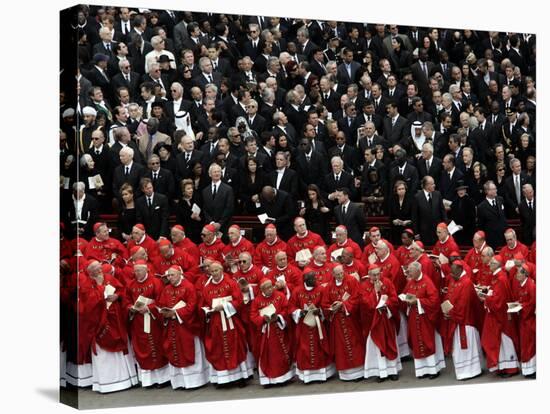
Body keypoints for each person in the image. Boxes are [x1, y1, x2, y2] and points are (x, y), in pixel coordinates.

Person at [83, 260, 138, 393]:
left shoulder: (109, 278)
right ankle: (108, 383)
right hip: (100, 323)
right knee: (104, 355)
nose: (100, 270)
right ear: (90, 272)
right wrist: (100, 286)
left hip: (115, 320)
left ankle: (126, 379)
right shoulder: (86, 284)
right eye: (96, 269)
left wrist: (117, 296)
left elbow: (121, 290)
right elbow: (89, 304)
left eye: (100, 267)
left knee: (120, 347)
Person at [200, 261, 253, 386]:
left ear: (221, 270)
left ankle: (240, 377)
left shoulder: (230, 283)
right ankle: (223, 379)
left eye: (216, 271)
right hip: (216, 322)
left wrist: (224, 306)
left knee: (235, 346)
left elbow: (238, 300)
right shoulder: (207, 288)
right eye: (212, 272)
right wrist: (207, 310)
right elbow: (204, 304)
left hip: (231, 321)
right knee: (218, 348)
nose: (214, 274)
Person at [157, 265, 209, 389]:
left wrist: (176, 313)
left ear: (180, 274)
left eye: (172, 275)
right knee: (175, 350)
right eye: (168, 275)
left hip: (186, 326)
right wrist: (164, 312)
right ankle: (180, 382)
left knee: (189, 350)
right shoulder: (166, 289)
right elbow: (161, 303)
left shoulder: (189, 287)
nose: (170, 278)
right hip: (172, 325)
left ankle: (195, 381)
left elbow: (192, 306)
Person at [125, 260, 170, 387]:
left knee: (155, 345)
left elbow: (162, 300)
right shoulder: (131, 284)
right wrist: (130, 307)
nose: (137, 273)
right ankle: (149, 380)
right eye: (135, 271)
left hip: (152, 320)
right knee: (143, 347)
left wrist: (150, 308)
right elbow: (127, 301)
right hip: (138, 321)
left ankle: (162, 379)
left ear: (146, 270)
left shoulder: (155, 282)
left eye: (139, 270)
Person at [402, 261, 446, 379]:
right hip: (413, 316)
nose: (408, 272)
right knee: (417, 343)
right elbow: (405, 294)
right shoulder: (411, 282)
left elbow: (434, 300)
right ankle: (422, 371)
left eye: (410, 270)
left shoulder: (427, 282)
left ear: (417, 270)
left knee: (427, 342)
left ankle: (433, 370)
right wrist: (406, 299)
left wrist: (418, 301)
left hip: (425, 318)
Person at [289, 271, 335, 383]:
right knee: (304, 349)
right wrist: (300, 312)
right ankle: (307, 377)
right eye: (313, 279)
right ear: (306, 280)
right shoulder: (297, 291)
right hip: (304, 326)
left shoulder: (321, 290)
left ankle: (321, 375)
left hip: (318, 324)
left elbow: (325, 304)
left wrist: (319, 311)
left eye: (315, 278)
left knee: (319, 347)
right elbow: (291, 307)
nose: (316, 281)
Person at [321, 265, 365, 381]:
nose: (340, 276)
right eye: (337, 274)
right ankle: (346, 374)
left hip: (351, 319)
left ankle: (359, 372)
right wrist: (332, 308)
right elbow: (324, 304)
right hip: (337, 322)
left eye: (341, 273)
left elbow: (357, 297)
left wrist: (344, 305)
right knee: (341, 347)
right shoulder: (329, 287)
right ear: (333, 274)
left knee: (355, 343)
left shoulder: (351, 281)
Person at [442, 261, 484, 380]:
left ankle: (470, 371)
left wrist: (451, 313)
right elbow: (449, 297)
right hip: (455, 319)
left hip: (465, 321)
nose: (451, 275)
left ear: (460, 270)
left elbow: (463, 305)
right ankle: (466, 371)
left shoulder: (466, 283)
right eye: (451, 272)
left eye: (454, 272)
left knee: (466, 348)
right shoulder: (453, 280)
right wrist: (446, 309)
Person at [479, 254, 520, 377]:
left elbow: (499, 301)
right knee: (498, 343)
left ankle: (511, 368)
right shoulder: (496, 277)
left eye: (491, 263)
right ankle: (502, 366)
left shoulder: (501, 278)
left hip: (501, 317)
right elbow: (495, 293)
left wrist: (486, 298)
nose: (489, 265)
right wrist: (487, 292)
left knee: (505, 342)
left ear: (497, 265)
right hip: (496, 316)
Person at [250, 278, 294, 386]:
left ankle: (282, 378)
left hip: (278, 330)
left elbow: (286, 309)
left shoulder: (280, 296)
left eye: (271, 286)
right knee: (266, 355)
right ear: (262, 290)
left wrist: (278, 317)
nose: (270, 289)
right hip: (265, 333)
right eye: (267, 288)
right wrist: (263, 319)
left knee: (279, 355)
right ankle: (267, 380)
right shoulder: (257, 300)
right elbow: (253, 315)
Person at [361, 264, 401, 382]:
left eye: (378, 274)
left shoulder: (387, 282)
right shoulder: (364, 286)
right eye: (374, 275)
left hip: (386, 319)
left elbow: (394, 299)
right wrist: (375, 291)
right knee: (377, 347)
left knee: (389, 344)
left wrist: (387, 305)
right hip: (373, 322)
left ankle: (393, 370)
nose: (376, 277)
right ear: (369, 275)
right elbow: (365, 303)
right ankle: (381, 372)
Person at [511, 265, 536, 378]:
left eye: (519, 273)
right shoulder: (521, 285)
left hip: (529, 320)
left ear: (525, 274)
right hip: (523, 320)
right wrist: (517, 304)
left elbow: (533, 302)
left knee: (530, 344)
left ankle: (532, 369)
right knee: (526, 344)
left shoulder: (531, 285)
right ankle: (528, 369)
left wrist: (522, 306)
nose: (516, 275)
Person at [412, 175, 447, 246]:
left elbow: (443, 213)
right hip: (424, 232)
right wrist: (416, 233)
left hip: (438, 232)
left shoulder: (438, 194)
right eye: (432, 184)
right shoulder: (417, 197)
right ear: (427, 185)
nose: (434, 185)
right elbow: (415, 217)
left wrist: (445, 228)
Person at [201, 163, 235, 235]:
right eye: (215, 172)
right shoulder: (205, 191)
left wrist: (220, 223)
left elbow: (229, 208)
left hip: (224, 225)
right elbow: (204, 209)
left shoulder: (228, 189)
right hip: (210, 226)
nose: (217, 173)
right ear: (210, 174)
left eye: (219, 172)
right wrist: (212, 222)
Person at [476, 180, 507, 249]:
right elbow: (481, 226)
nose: (496, 190)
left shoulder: (500, 200)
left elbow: (504, 217)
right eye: (493, 189)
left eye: (495, 188)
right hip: (491, 240)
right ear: (487, 191)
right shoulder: (481, 207)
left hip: (503, 237)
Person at [175, 179, 204, 244]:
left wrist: (199, 219)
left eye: (191, 188)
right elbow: (179, 221)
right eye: (188, 189)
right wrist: (190, 217)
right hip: (186, 232)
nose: (191, 190)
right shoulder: (180, 204)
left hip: (198, 231)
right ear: (183, 191)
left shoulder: (198, 200)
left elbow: (203, 216)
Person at [388, 180, 413, 244]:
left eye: (403, 189)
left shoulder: (411, 200)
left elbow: (414, 216)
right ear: (396, 191)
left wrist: (408, 221)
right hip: (396, 229)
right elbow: (390, 216)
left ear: (405, 189)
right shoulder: (392, 200)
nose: (401, 190)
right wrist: (393, 221)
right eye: (399, 189)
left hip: (407, 228)